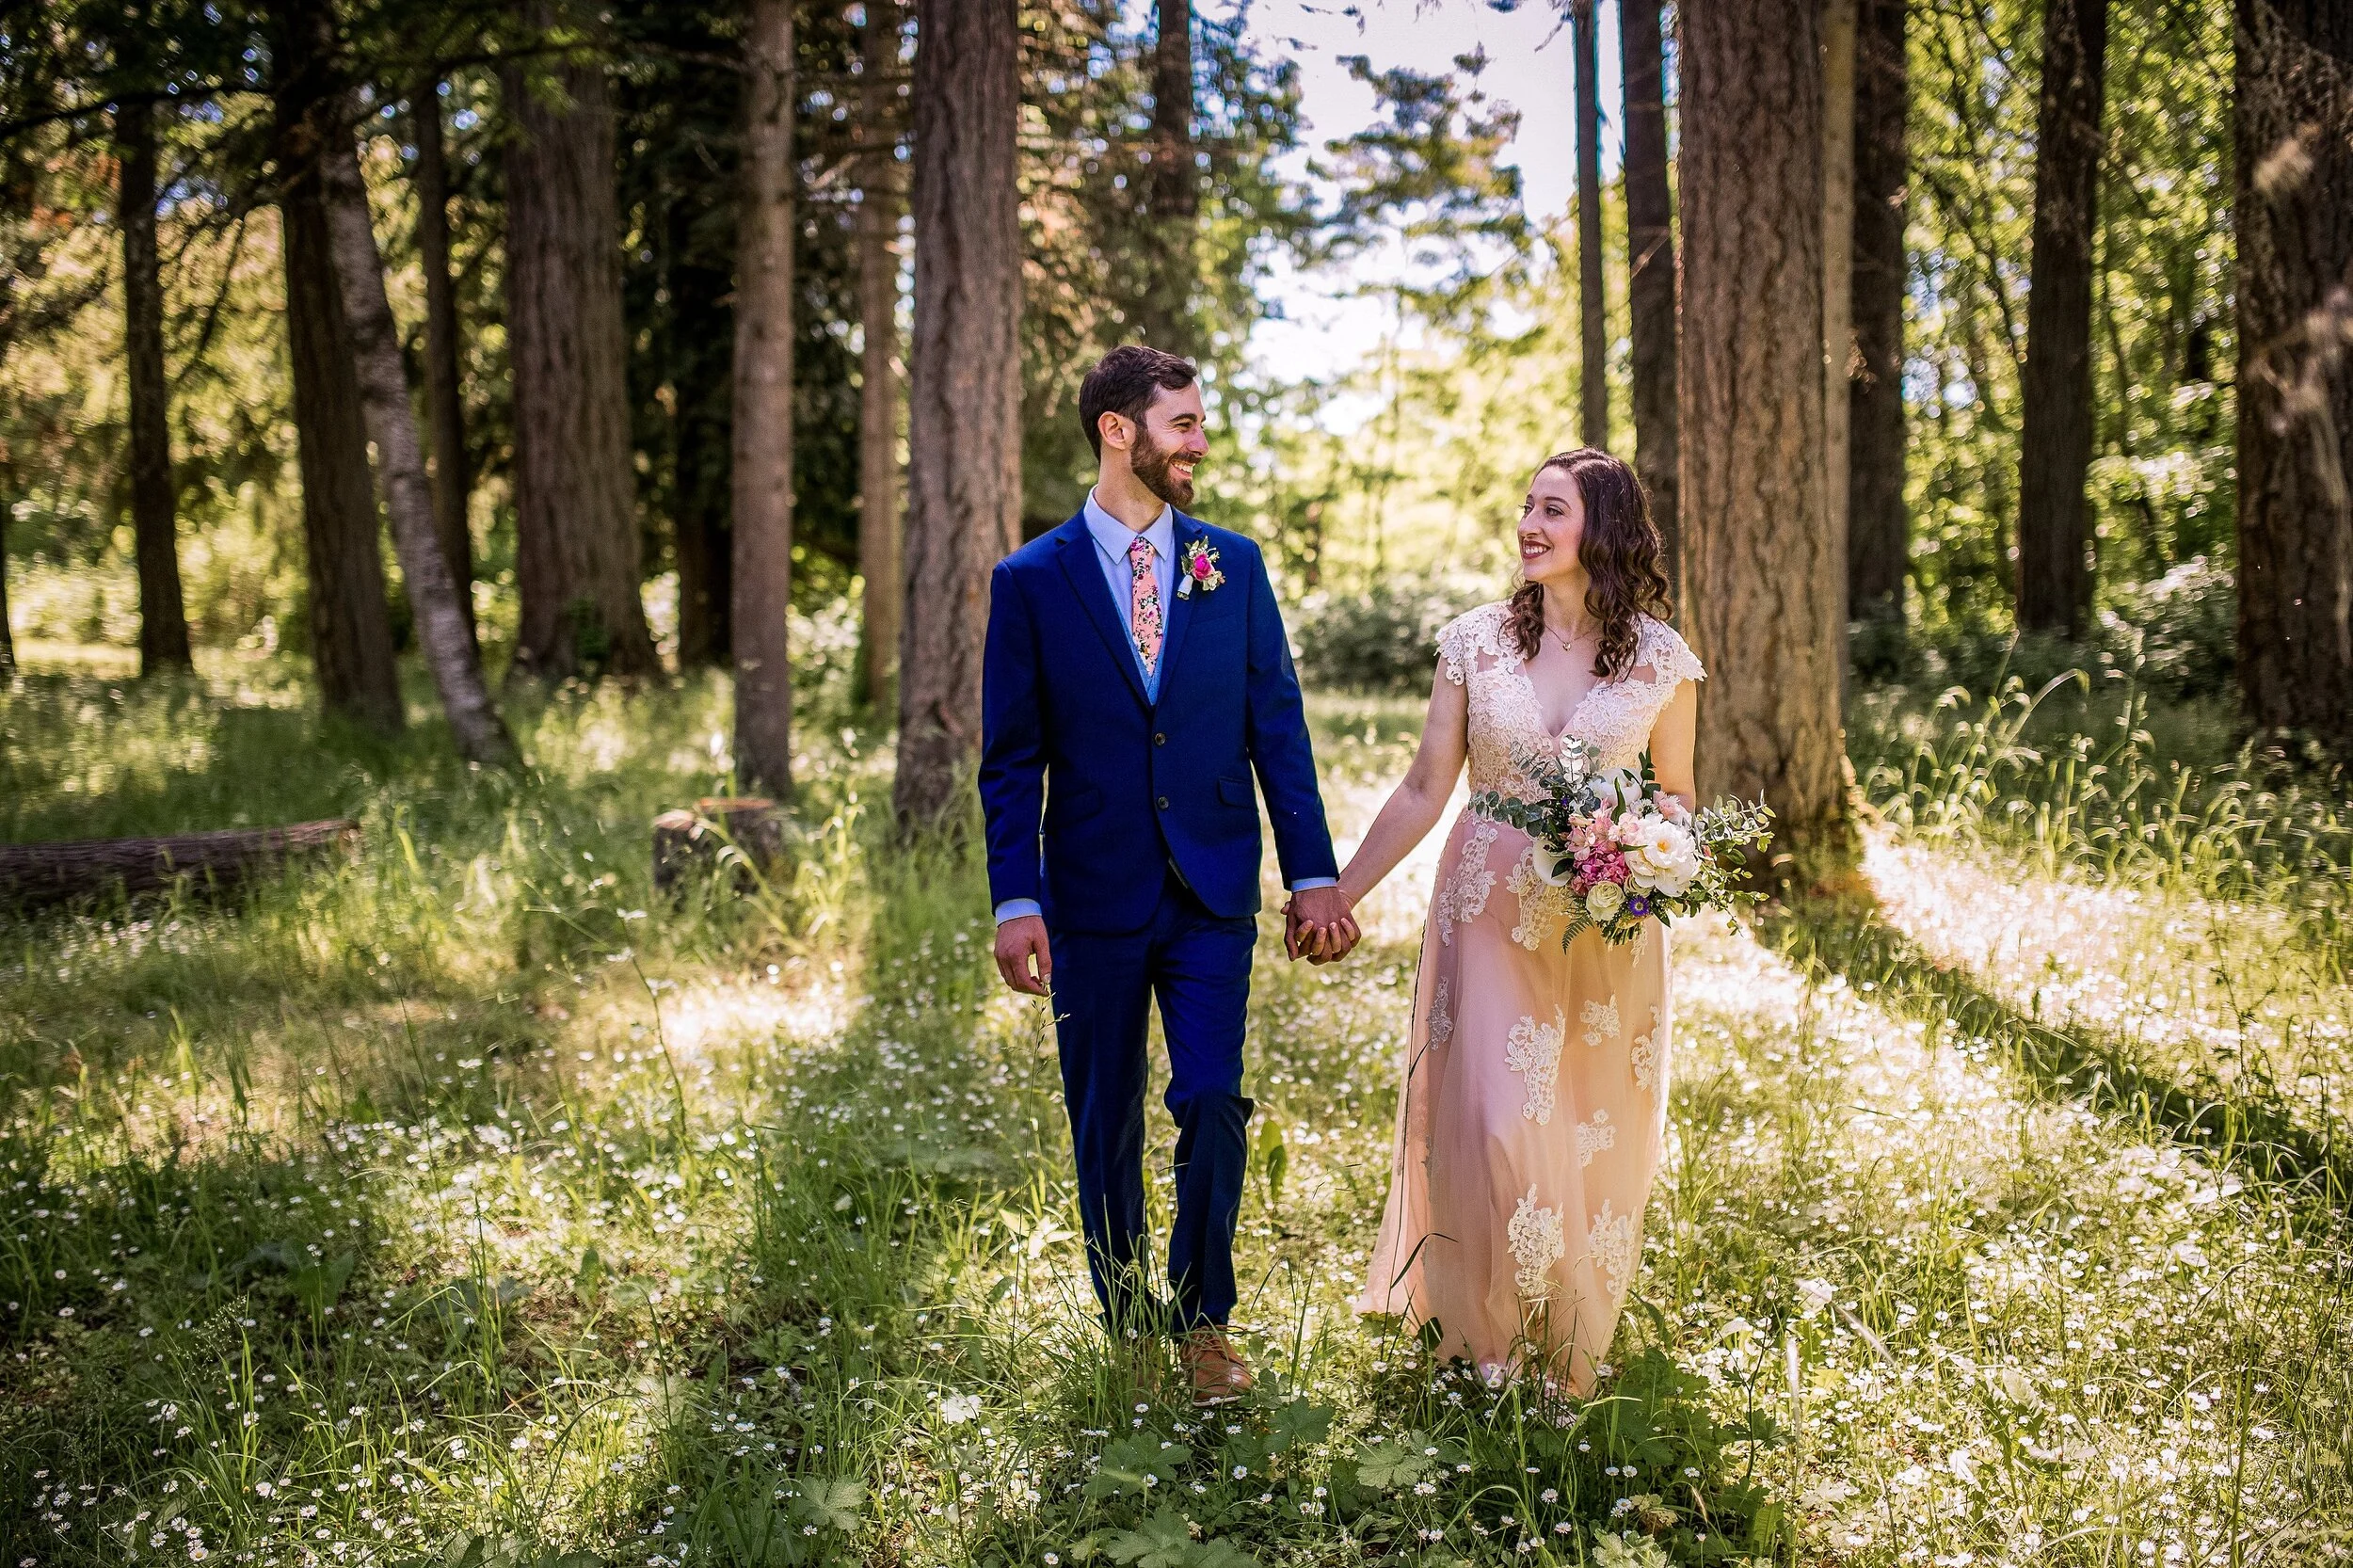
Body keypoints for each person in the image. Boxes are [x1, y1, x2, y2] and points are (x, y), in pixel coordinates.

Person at [979, 344, 1360, 1405]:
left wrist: (1314, 875)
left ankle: (1200, 1320)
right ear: (1119, 430)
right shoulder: (1030, 581)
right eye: (1183, 423)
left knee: (1211, 1100)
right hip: (1089, 896)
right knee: (1101, 1118)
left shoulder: (1230, 565)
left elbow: (1276, 730)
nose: (1200, 441)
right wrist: (1018, 899)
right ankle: (1123, 1316)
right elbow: (1010, 760)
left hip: (1211, 892)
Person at [1334, 448, 1703, 1391]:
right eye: (1527, 507)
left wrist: (1649, 853)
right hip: (1488, 907)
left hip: (1603, 927)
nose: (1529, 525)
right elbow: (1426, 786)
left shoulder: (1661, 659)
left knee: (1582, 1132)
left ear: (1604, 528)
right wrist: (1341, 891)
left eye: (1554, 509)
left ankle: (1561, 1350)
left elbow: (1679, 795)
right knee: (1499, 1122)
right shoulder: (1475, 641)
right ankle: (1485, 1346)